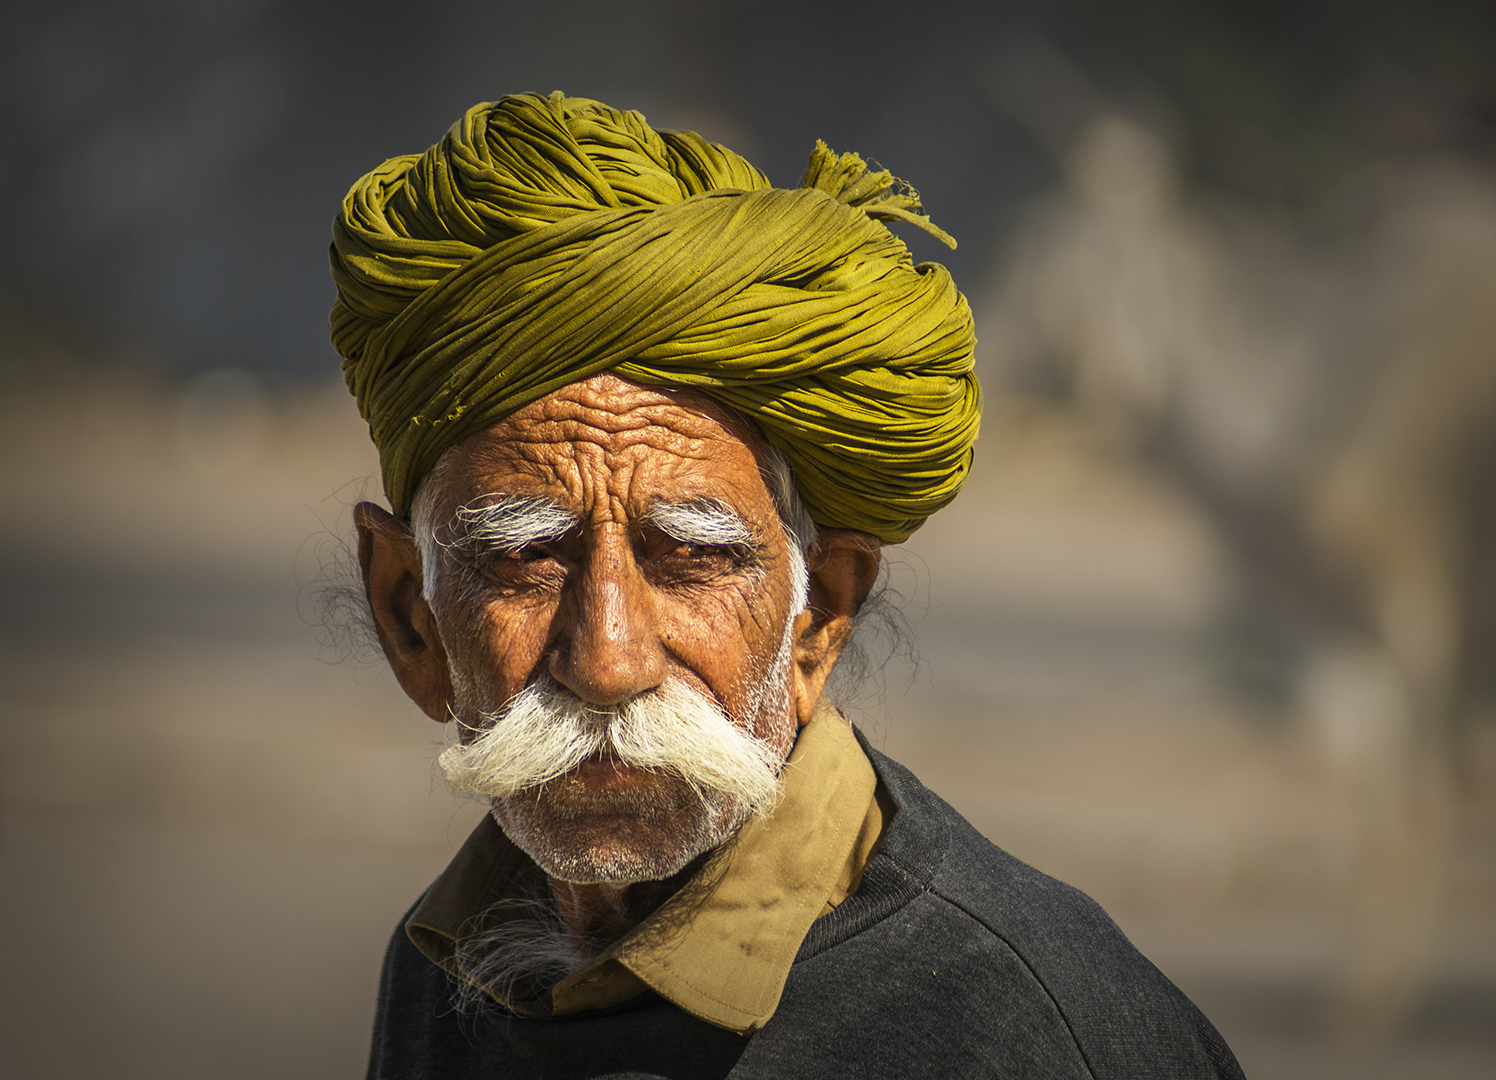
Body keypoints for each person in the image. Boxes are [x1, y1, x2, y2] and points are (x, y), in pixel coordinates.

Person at [333, 90, 1244, 1079]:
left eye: (690, 557)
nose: (605, 661)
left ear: (820, 619)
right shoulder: (447, 975)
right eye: (521, 557)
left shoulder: (1022, 1032)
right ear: (409, 619)